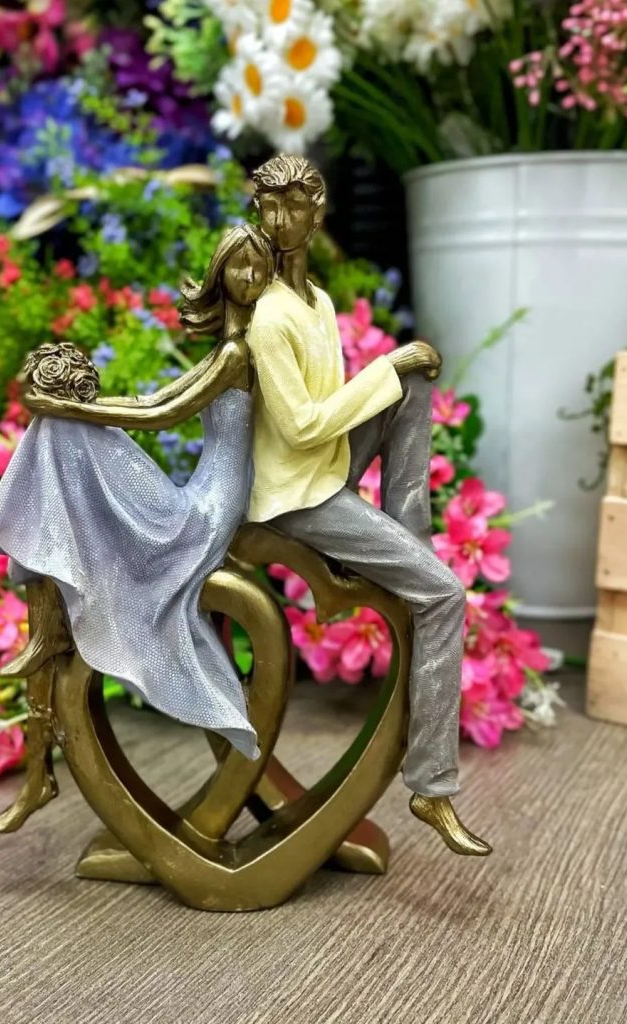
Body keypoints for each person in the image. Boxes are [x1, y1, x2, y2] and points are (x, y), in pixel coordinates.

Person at [0, 224, 273, 832]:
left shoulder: (236, 355)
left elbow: (160, 414)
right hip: (200, 497)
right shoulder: (225, 348)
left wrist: (66, 406)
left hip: (208, 511)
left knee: (57, 433)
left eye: (258, 266)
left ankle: (45, 619)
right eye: (238, 266)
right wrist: (69, 409)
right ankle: (39, 760)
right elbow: (149, 402)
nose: (249, 277)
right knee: (58, 438)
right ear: (218, 276)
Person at [246, 154, 490, 856]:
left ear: (318, 210)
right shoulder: (269, 316)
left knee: (413, 384)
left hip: (325, 471)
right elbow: (300, 428)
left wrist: (395, 373)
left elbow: (333, 410)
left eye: (293, 205)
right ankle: (431, 785)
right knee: (445, 596)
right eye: (268, 207)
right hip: (293, 496)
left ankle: (407, 544)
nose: (280, 220)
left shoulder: (318, 303)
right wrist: (386, 365)